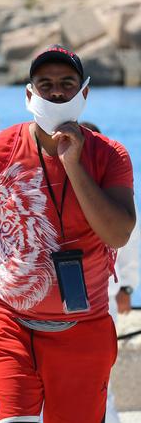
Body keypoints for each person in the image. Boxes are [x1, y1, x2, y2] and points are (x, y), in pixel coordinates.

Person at [0, 44, 136, 423]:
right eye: (46, 85)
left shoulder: (110, 155)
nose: (56, 93)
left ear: (84, 93)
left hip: (84, 329)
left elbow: (118, 232)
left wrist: (73, 164)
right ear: (28, 95)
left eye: (67, 84)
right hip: (10, 324)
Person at [80, 121, 140, 423]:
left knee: (101, 379)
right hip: (69, 301)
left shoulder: (114, 194)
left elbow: (130, 243)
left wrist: (126, 288)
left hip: (105, 298)